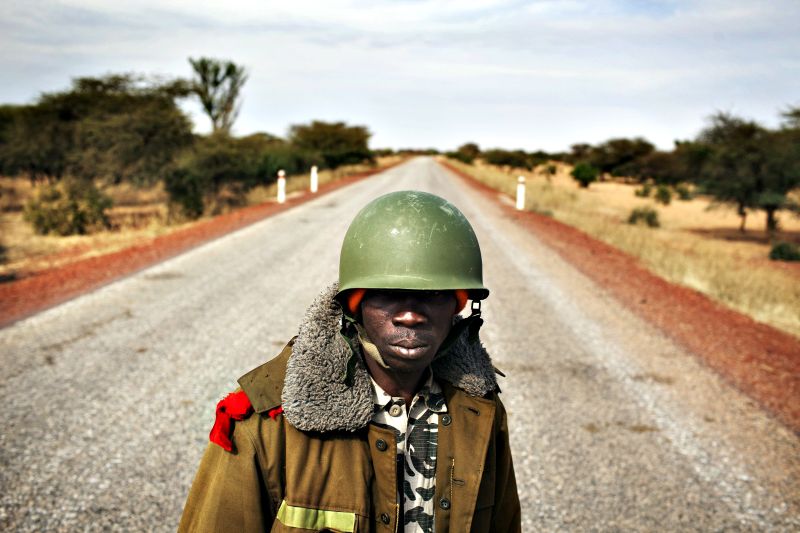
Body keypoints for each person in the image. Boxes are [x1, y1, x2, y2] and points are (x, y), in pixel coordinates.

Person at [179, 190, 520, 532]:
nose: (410, 315)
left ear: (460, 305)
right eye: (388, 293)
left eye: (433, 294)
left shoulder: (480, 411)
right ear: (356, 305)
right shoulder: (268, 423)